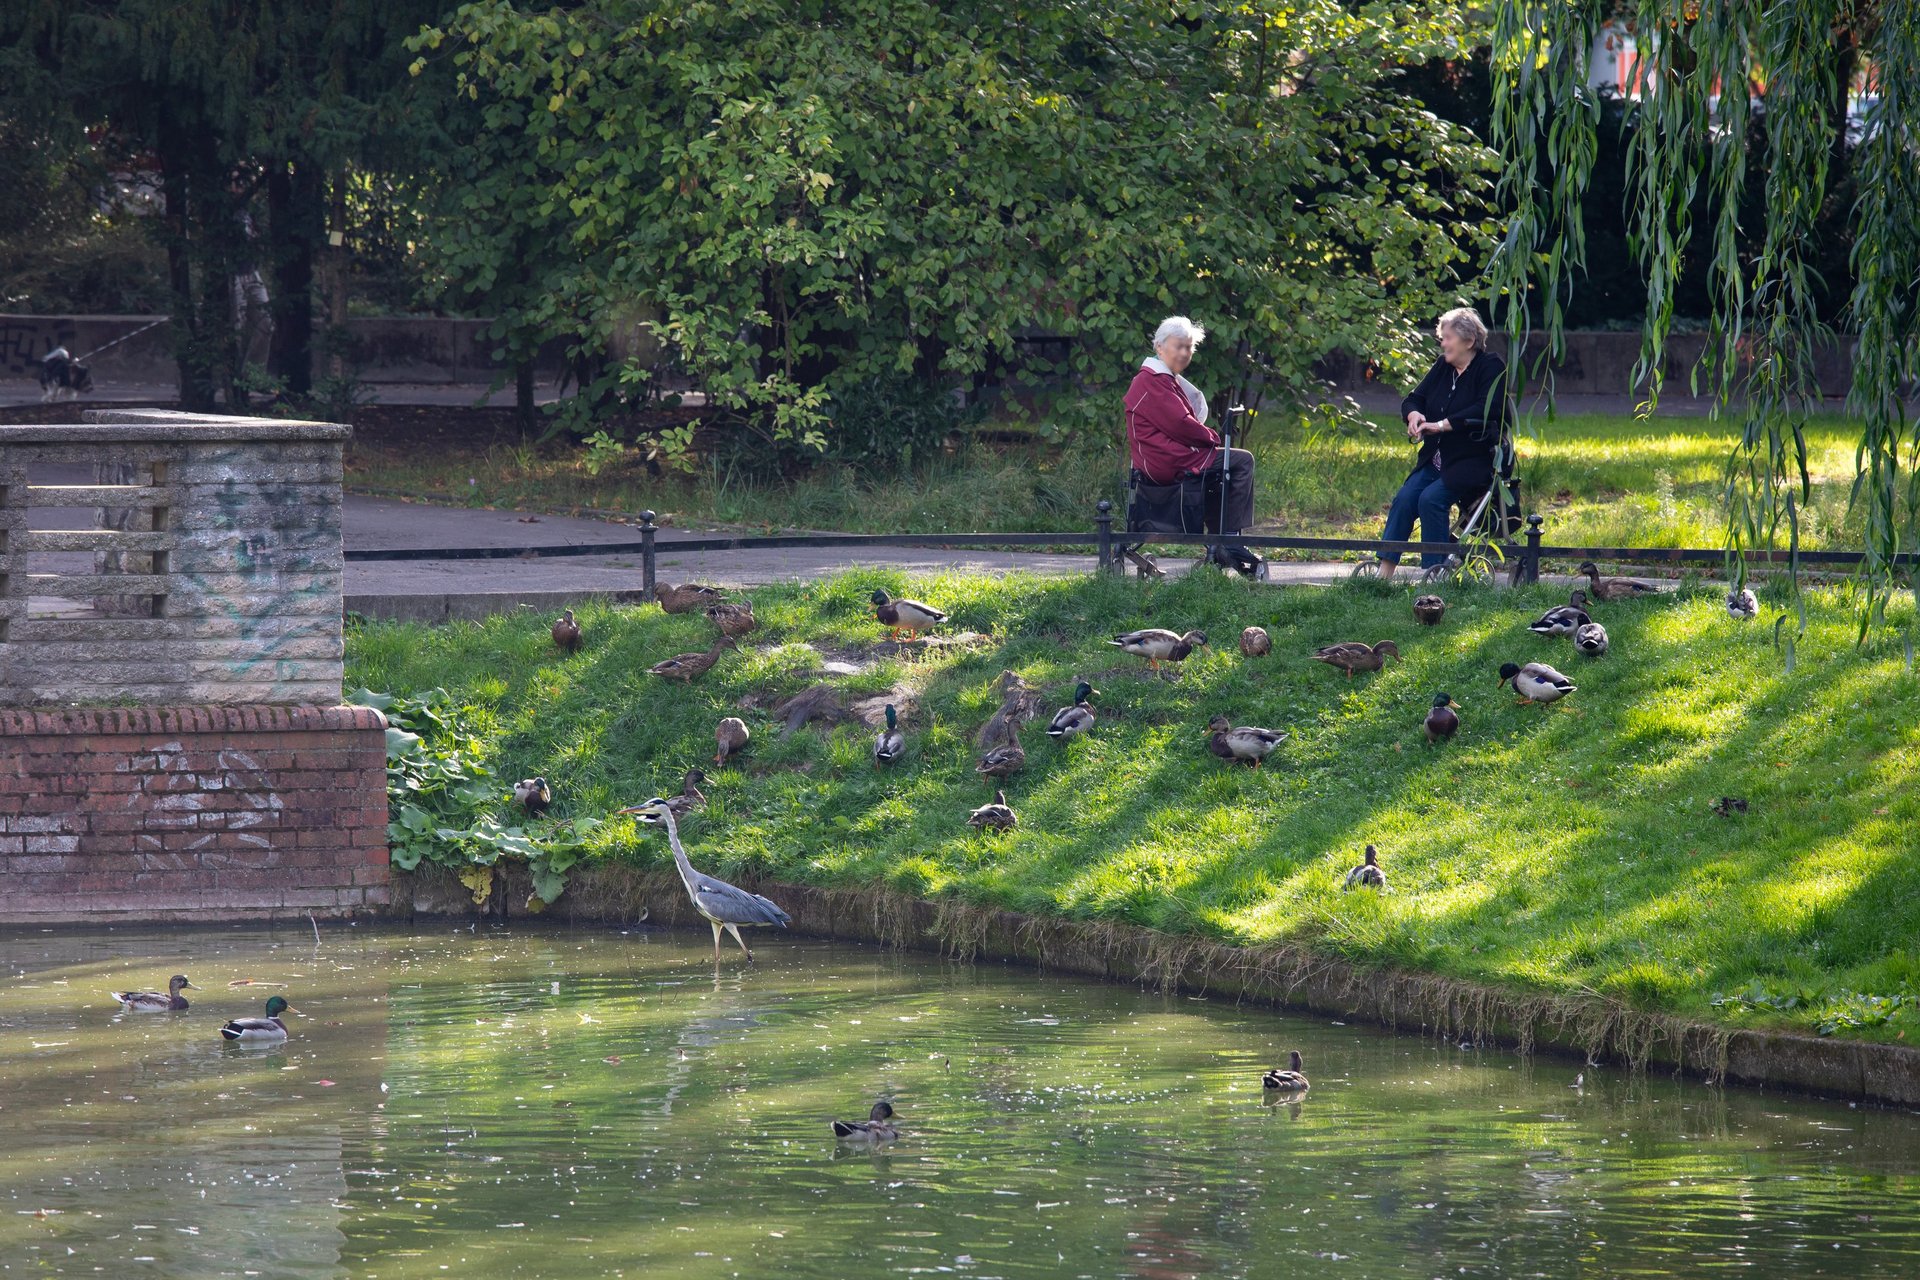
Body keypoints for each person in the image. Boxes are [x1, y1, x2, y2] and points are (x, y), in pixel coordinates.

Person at [1378, 307, 1508, 580]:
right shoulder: (1443, 367)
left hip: (1472, 459)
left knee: (1431, 499)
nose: (1443, 343)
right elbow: (1414, 398)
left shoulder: (1491, 366)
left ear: (1469, 341)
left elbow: (1488, 408)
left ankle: (1433, 573)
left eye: (1448, 337)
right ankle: (1383, 574)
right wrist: (1414, 416)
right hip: (1436, 458)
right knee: (1404, 499)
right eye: (1443, 337)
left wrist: (1440, 425)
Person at [1123, 315, 1258, 572]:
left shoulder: (1156, 378)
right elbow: (1180, 424)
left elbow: (1177, 423)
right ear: (1160, 347)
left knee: (1225, 465)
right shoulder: (1154, 381)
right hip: (1167, 459)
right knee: (1241, 460)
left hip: (1162, 457)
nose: (1185, 352)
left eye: (1189, 347)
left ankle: (1223, 536)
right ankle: (1228, 538)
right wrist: (1212, 438)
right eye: (1179, 346)